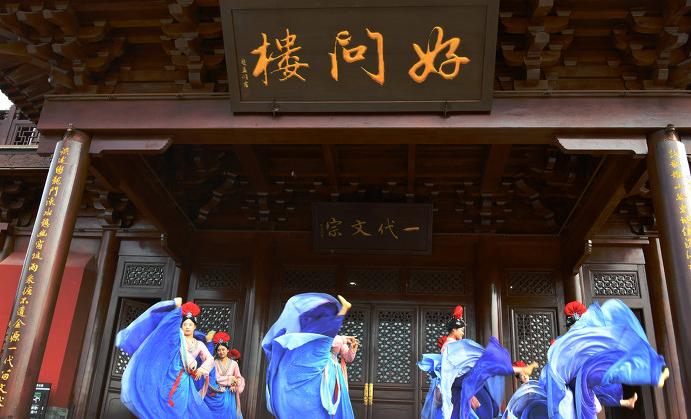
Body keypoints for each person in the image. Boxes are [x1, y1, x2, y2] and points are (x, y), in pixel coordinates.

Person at [544, 299, 669, 419]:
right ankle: (652, 375)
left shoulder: (581, 336)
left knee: (604, 375)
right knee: (602, 376)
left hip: (581, 378)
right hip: (573, 382)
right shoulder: (568, 342)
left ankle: (652, 374)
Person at [115, 298, 214, 418]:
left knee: (181, 409)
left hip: (185, 380)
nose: (187, 327)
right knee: (163, 405)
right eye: (185, 324)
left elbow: (209, 359)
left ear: (195, 327)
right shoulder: (177, 337)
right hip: (170, 375)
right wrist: (176, 308)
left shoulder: (199, 344)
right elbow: (167, 327)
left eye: (190, 324)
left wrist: (202, 370)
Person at [262, 293, 355, 418]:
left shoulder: (331, 337)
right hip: (321, 367)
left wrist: (352, 348)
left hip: (333, 371)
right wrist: (342, 338)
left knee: (331, 398)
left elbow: (348, 357)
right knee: (314, 396)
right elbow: (330, 336)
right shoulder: (321, 337)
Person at [439, 305, 537, 419]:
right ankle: (519, 369)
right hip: (464, 384)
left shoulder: (449, 346)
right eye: (461, 330)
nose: (462, 333)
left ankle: (518, 369)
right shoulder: (452, 347)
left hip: (464, 384)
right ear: (454, 330)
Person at [203, 331, 245, 418]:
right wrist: (231, 379)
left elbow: (239, 378)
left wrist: (234, 384)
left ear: (227, 350)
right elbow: (216, 378)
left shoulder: (234, 363)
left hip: (230, 393)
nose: (221, 352)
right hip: (218, 392)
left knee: (229, 413)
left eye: (223, 349)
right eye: (219, 350)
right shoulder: (214, 362)